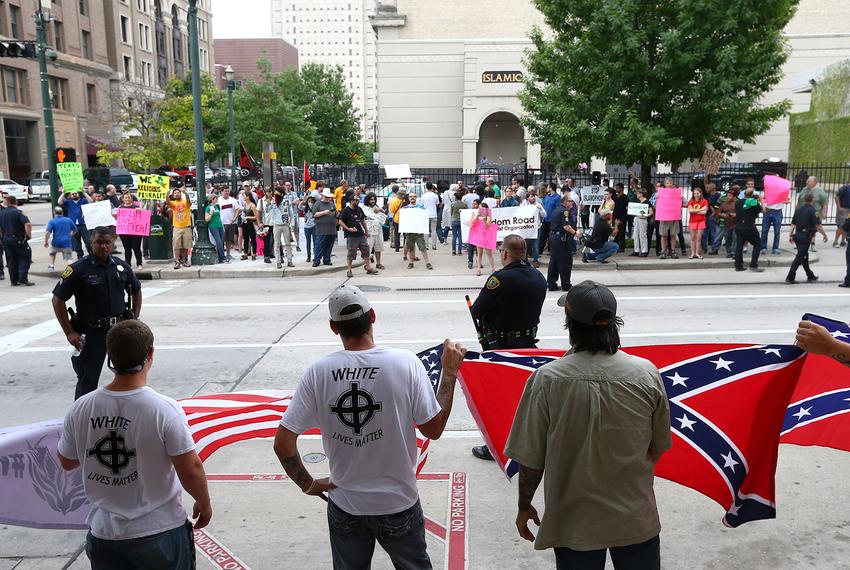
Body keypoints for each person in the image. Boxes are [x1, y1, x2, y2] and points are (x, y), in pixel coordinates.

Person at [274, 285, 466, 569]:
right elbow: (433, 429)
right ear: (372, 316)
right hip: (398, 504)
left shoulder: (318, 372)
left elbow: (283, 444)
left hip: (346, 506)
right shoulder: (405, 363)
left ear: (333, 327)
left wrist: (309, 485)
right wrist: (449, 372)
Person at [504, 281, 670, 569]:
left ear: (570, 325)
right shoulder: (646, 374)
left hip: (573, 522)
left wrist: (524, 505)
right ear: (613, 323)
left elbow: (531, 458)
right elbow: (657, 447)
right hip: (634, 516)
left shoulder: (547, 379)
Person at [57, 320, 212, 569]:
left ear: (110, 357)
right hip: (159, 531)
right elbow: (191, 468)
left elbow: (66, 461)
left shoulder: (82, 407)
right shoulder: (163, 409)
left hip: (105, 534)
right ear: (150, 355)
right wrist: (203, 502)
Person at [469, 235, 547, 461]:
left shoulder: (499, 279)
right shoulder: (537, 276)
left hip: (502, 345)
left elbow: (478, 310)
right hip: (528, 345)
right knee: (523, 396)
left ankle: (499, 446)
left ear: (504, 254)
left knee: (499, 398)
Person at [52, 226, 142, 399]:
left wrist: (135, 319)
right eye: (98, 242)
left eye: (107, 242)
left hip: (120, 331)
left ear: (113, 242)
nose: (103, 247)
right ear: (91, 243)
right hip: (92, 333)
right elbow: (57, 300)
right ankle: (81, 420)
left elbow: (136, 290)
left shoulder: (121, 266)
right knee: (88, 381)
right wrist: (69, 332)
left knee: (130, 376)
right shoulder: (78, 269)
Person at [786, 193, 827, 284]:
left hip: (797, 236)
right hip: (805, 237)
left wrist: (790, 235)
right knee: (800, 257)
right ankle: (790, 277)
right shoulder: (813, 211)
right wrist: (825, 235)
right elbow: (818, 226)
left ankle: (810, 275)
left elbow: (793, 224)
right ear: (812, 200)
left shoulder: (798, 209)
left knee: (804, 257)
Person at [340, 194, 379, 278]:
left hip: (360, 234)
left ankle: (368, 268)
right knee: (351, 253)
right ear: (351, 201)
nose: (357, 202)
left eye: (358, 200)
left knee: (366, 251)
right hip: (351, 235)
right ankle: (349, 270)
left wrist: (366, 231)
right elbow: (340, 221)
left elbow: (362, 221)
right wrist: (348, 229)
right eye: (355, 200)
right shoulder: (346, 210)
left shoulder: (359, 209)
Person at [0, 195, 33, 286]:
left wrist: (2, 238)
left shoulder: (2, 213)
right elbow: (28, 224)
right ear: (16, 202)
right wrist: (28, 235)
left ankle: (14, 281)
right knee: (24, 257)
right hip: (18, 238)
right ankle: (23, 279)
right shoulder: (19, 212)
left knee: (11, 260)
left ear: (7, 202)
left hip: (6, 239)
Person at [548, 195, 578, 292]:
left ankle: (551, 284)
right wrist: (575, 233)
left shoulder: (556, 210)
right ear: (564, 202)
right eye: (570, 201)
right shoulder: (564, 211)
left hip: (554, 238)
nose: (572, 203)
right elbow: (566, 227)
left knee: (554, 261)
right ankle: (566, 285)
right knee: (565, 261)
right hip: (561, 239)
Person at [735, 186, 765, 272]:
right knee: (757, 244)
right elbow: (763, 210)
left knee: (739, 245)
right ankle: (753, 265)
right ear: (752, 194)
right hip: (749, 226)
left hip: (739, 226)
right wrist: (761, 200)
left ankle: (738, 265)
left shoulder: (738, 202)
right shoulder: (753, 202)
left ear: (744, 194)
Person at [59, 189, 93, 259]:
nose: (74, 195)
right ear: (70, 196)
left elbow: (91, 201)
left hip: (83, 224)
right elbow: (59, 202)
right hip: (73, 226)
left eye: (76, 193)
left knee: (88, 242)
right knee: (76, 244)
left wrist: (84, 192)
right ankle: (80, 257)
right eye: (72, 194)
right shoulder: (68, 202)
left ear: (78, 194)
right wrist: (63, 193)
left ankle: (92, 256)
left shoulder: (83, 200)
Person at [402, 193, 433, 271]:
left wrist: (423, 228)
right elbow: (404, 220)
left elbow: (424, 218)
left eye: (414, 196)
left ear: (416, 198)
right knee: (410, 248)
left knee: (422, 247)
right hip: (409, 232)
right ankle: (411, 262)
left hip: (419, 232)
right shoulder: (405, 208)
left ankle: (427, 263)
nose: (412, 198)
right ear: (408, 198)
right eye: (411, 196)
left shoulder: (421, 207)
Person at [165, 187, 193, 270]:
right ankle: (177, 261)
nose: (177, 194)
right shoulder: (173, 204)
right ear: (173, 195)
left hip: (186, 226)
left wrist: (186, 193)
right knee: (177, 245)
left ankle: (184, 260)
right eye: (175, 193)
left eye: (178, 192)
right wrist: (167, 193)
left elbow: (189, 201)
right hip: (177, 227)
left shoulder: (185, 202)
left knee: (185, 245)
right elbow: (167, 202)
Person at [798, 176, 828, 253]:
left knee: (814, 228)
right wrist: (797, 209)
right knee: (802, 228)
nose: (807, 182)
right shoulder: (804, 189)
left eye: (809, 181)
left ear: (814, 182)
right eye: (807, 181)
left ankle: (812, 244)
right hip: (804, 212)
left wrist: (824, 212)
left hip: (815, 212)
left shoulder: (820, 191)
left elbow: (825, 203)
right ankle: (801, 243)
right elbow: (800, 199)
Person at [115, 194, 143, 269]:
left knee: (136, 248)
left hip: (135, 232)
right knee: (127, 249)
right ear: (123, 199)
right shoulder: (120, 208)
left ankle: (139, 263)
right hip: (124, 232)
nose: (127, 199)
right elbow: (117, 219)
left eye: (129, 197)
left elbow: (142, 218)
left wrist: (140, 210)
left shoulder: (136, 207)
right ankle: (128, 264)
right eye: (125, 197)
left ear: (131, 199)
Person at [312, 188, 337, 267]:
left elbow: (336, 215)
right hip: (321, 229)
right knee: (319, 245)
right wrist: (324, 212)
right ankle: (316, 260)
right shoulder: (317, 204)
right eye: (325, 196)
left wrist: (336, 212)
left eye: (328, 197)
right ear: (322, 196)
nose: (327, 198)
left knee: (329, 245)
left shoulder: (332, 204)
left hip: (331, 228)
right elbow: (314, 214)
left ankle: (327, 259)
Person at [361, 192, 386, 270]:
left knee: (378, 247)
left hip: (378, 230)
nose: (373, 201)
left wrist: (380, 210)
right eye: (371, 199)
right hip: (369, 231)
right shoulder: (364, 208)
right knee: (368, 248)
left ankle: (378, 263)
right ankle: (367, 264)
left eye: (374, 199)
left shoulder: (377, 207)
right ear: (367, 200)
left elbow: (384, 218)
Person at [217, 187, 241, 261]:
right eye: (225, 191)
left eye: (228, 191)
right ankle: (221, 255)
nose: (227, 192)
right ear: (221, 192)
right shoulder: (218, 200)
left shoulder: (233, 200)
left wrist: (234, 218)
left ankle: (228, 254)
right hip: (221, 223)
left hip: (230, 223)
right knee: (221, 240)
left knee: (229, 239)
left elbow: (237, 209)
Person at [714, 186, 738, 258]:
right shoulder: (724, 203)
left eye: (730, 196)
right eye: (727, 196)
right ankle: (729, 252)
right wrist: (722, 214)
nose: (728, 197)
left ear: (734, 197)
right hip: (726, 224)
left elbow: (741, 213)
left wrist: (736, 214)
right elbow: (718, 212)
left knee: (735, 238)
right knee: (727, 239)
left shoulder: (737, 203)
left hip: (735, 223)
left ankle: (734, 252)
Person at [473, 202, 496, 276]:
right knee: (479, 253)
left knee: (489, 253)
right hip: (479, 235)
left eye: (481, 208)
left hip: (487, 236)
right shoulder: (477, 214)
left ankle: (493, 268)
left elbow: (488, 226)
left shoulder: (488, 216)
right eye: (479, 207)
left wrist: (484, 220)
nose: (480, 209)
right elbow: (472, 222)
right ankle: (478, 269)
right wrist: (477, 216)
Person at [524, 192, 546, 268]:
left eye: (533, 196)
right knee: (526, 244)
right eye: (531, 196)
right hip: (527, 228)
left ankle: (535, 260)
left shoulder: (538, 205)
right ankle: (525, 260)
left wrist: (540, 208)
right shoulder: (524, 205)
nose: (533, 198)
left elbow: (545, 215)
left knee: (535, 245)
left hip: (536, 228)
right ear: (527, 198)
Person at [687, 187, 709, 259]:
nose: (696, 195)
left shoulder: (704, 201)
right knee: (693, 238)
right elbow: (690, 211)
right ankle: (692, 253)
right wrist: (700, 209)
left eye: (697, 193)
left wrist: (695, 210)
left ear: (700, 193)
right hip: (692, 221)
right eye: (695, 193)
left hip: (701, 221)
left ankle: (697, 253)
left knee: (698, 238)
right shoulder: (691, 201)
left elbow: (704, 212)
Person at [205, 195, 227, 263]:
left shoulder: (217, 206)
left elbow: (219, 216)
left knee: (222, 241)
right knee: (218, 241)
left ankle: (222, 256)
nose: (217, 199)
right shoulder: (208, 208)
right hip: (213, 226)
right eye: (215, 198)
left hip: (219, 225)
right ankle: (222, 257)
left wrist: (222, 226)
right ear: (212, 199)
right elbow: (206, 219)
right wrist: (211, 213)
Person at [539, 183, 560, 255]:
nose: (546, 189)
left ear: (551, 188)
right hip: (545, 219)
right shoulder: (547, 196)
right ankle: (540, 249)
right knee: (543, 235)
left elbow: (558, 208)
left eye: (548, 187)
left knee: (551, 235)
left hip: (552, 219)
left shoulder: (557, 197)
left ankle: (551, 250)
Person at [420, 182, 440, 250]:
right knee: (434, 230)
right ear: (432, 187)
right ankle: (434, 245)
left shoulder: (423, 195)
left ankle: (426, 245)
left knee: (426, 230)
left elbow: (421, 205)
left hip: (425, 214)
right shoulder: (435, 195)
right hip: (434, 214)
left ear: (426, 187)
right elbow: (437, 204)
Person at [240, 192, 260, 261]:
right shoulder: (245, 204)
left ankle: (254, 253)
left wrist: (248, 217)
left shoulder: (253, 205)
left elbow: (256, 216)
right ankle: (245, 253)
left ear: (248, 197)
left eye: (244, 196)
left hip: (251, 223)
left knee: (252, 238)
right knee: (245, 238)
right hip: (245, 223)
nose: (243, 197)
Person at [612, 183, 630, 252]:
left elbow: (628, 206)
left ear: (621, 188)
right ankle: (615, 246)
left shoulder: (625, 197)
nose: (616, 189)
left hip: (622, 217)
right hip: (615, 216)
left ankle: (622, 247)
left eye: (617, 188)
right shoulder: (615, 197)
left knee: (622, 232)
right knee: (616, 232)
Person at [450, 190, 467, 256]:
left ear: (456, 197)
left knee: (454, 236)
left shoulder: (453, 204)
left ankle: (453, 250)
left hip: (454, 220)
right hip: (461, 220)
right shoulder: (464, 204)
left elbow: (451, 213)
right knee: (460, 236)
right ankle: (459, 250)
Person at [301, 195, 317, 264]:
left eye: (311, 201)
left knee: (315, 242)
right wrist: (303, 200)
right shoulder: (305, 208)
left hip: (314, 226)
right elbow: (299, 207)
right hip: (307, 227)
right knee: (308, 242)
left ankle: (316, 256)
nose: (310, 203)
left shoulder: (315, 208)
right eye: (309, 201)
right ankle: (308, 256)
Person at [834, 182, 850, 248]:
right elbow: (837, 196)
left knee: (847, 226)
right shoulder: (845, 188)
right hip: (843, 209)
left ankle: (843, 241)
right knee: (841, 226)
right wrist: (839, 207)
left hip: (849, 210)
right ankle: (835, 242)